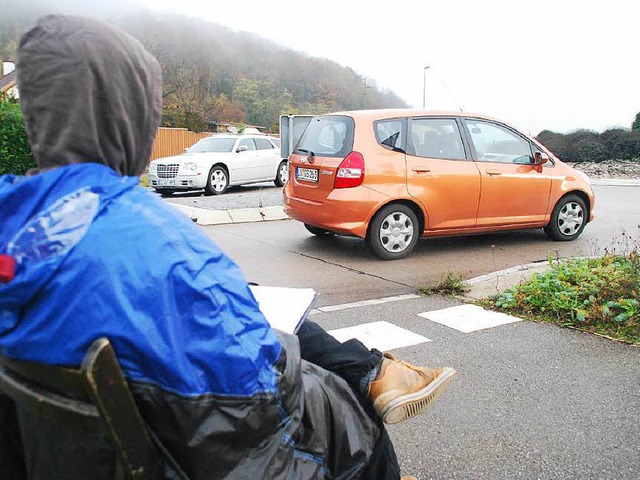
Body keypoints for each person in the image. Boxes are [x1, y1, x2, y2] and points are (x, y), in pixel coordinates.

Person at [0, 15, 455, 479]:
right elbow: (260, 407)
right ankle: (372, 379)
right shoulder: (162, 241)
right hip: (200, 458)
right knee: (353, 417)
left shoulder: (12, 215)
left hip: (61, 458)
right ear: (130, 113)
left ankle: (371, 373)